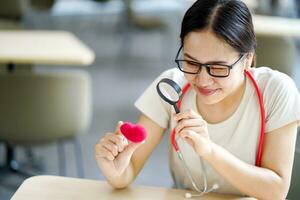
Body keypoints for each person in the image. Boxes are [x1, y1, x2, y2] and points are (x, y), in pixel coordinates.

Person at [95, 0, 300, 199]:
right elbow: (127, 171)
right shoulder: (171, 87)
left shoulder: (275, 91)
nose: (202, 80)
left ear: (247, 59)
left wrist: (209, 150)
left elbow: (276, 191)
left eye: (218, 68)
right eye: (191, 63)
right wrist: (116, 170)